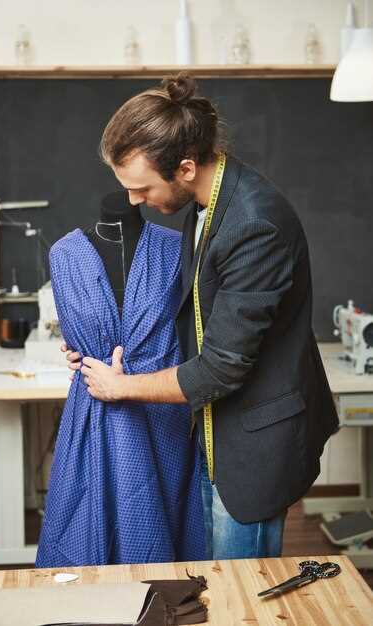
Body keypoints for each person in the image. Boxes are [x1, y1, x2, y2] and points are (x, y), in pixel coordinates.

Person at [65, 73, 339, 560]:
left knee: (242, 593)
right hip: (217, 431)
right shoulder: (204, 205)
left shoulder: (253, 224)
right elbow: (201, 314)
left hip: (257, 442)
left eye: (142, 187)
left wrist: (121, 387)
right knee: (213, 579)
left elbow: (221, 366)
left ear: (185, 167)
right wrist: (98, 353)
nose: (133, 200)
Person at [36, 191, 205, 567]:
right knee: (89, 522)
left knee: (166, 520)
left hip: (161, 407)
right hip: (95, 404)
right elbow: (77, 327)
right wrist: (78, 345)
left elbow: (193, 331)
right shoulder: (64, 255)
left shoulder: (175, 249)